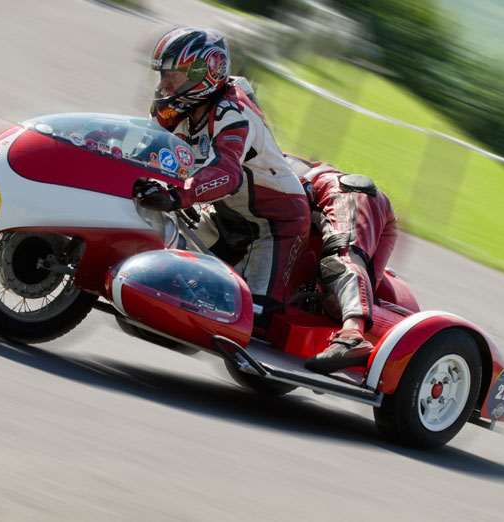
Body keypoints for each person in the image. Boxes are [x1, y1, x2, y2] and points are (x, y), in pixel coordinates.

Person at [138, 27, 310, 327]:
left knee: (254, 318)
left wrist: (177, 197)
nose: (164, 85)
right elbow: (146, 146)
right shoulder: (178, 108)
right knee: (161, 264)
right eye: (162, 76)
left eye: (173, 76)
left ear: (205, 75)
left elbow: (226, 173)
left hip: (273, 224)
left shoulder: (233, 112)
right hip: (222, 215)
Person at [285, 154, 398, 374]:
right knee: (335, 303)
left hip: (345, 193)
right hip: (335, 198)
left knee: (340, 260)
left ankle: (352, 337)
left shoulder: (246, 143)